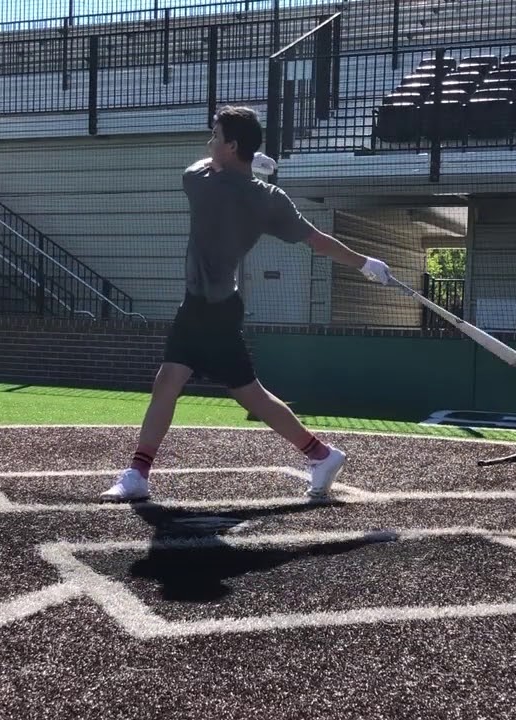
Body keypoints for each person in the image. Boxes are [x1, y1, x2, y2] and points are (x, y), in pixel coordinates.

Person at [99, 105, 393, 503]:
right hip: (204, 305)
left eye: (216, 137)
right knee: (174, 381)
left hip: (214, 311)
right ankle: (138, 472)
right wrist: (365, 263)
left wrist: (248, 162)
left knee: (244, 393)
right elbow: (317, 240)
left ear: (232, 146)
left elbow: (195, 168)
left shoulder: (202, 183)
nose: (210, 143)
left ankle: (321, 454)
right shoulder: (268, 197)